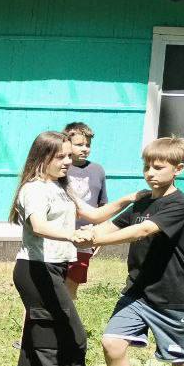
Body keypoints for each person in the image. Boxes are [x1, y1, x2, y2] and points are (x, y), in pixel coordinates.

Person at [5, 132, 135, 366]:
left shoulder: (61, 187)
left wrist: (129, 199)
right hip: (36, 270)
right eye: (60, 156)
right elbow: (38, 226)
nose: (68, 161)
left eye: (68, 156)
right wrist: (71, 235)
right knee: (71, 337)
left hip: (54, 268)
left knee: (40, 336)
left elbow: (94, 214)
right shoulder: (34, 189)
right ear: (43, 157)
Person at [83, 137, 184, 366]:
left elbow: (143, 230)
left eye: (158, 167)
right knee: (112, 342)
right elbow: (113, 226)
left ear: (178, 169)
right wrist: (86, 233)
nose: (150, 173)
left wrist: (97, 239)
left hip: (175, 296)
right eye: (147, 166)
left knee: (181, 360)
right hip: (138, 291)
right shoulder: (143, 202)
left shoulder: (181, 204)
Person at [63, 121, 108, 298]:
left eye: (88, 145)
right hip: (60, 234)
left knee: (71, 285)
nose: (85, 149)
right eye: (79, 145)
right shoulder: (60, 168)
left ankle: (66, 314)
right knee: (49, 286)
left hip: (85, 236)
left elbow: (102, 205)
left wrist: (100, 235)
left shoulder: (97, 170)